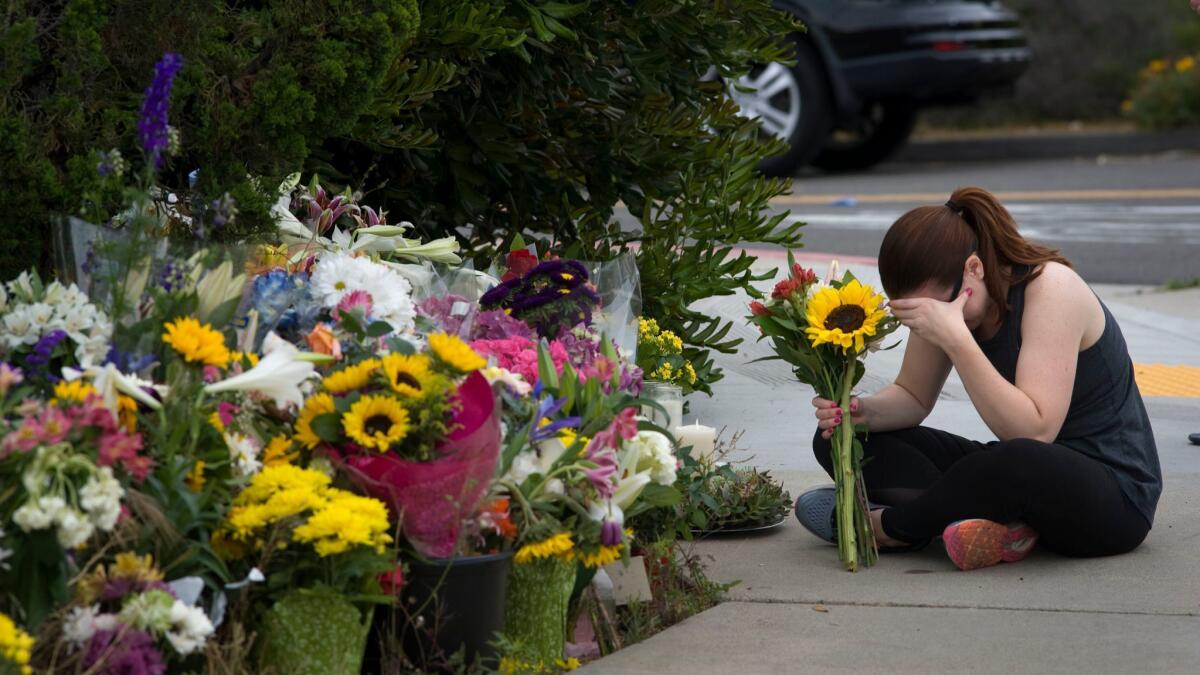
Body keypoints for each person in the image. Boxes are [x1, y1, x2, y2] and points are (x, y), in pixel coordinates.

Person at [794, 186, 1162, 571]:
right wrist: (857, 411)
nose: (930, 319)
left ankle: (893, 526)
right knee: (846, 440)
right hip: (1018, 474)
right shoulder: (948, 301)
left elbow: (1034, 432)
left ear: (974, 268)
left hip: (1113, 498)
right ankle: (995, 528)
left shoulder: (1052, 290)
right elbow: (913, 397)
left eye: (934, 308)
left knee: (1013, 461)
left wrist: (956, 340)